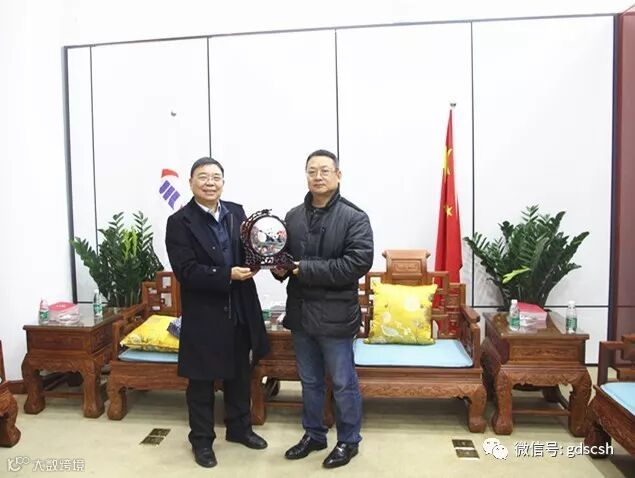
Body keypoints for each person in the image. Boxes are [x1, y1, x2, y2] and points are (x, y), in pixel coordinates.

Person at [165, 157, 269, 468]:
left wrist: (259, 261)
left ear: (223, 182)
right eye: (203, 177)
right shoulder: (179, 222)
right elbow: (186, 271)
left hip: (240, 308)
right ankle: (201, 441)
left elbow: (250, 250)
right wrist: (226, 274)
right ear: (191, 183)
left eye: (216, 177)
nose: (210, 183)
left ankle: (239, 429)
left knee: (239, 374)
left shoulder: (236, 212)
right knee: (201, 382)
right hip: (205, 313)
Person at [273, 149, 374, 469]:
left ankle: (349, 441)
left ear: (338, 176)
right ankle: (314, 434)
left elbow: (356, 264)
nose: (318, 177)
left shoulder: (354, 217)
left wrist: (304, 269)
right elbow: (285, 258)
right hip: (301, 314)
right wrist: (278, 267)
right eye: (312, 171)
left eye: (324, 171)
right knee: (310, 381)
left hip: (336, 317)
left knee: (343, 382)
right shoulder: (292, 216)